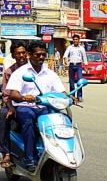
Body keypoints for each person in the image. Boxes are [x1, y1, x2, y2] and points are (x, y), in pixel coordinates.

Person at [7, 42, 69, 171]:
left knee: (64, 120)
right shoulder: (20, 73)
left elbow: (61, 91)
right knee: (29, 120)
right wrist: (24, 97)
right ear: (30, 55)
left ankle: (62, 154)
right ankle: (30, 159)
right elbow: (13, 94)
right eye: (38, 55)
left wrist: (69, 98)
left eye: (43, 55)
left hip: (44, 108)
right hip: (25, 107)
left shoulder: (50, 74)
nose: (41, 57)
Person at [0, 41, 28, 168]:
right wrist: (11, 107)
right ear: (13, 56)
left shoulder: (34, 69)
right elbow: (7, 95)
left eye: (23, 53)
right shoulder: (10, 72)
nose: (21, 56)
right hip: (15, 104)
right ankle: (6, 152)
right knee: (4, 115)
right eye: (18, 54)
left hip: (34, 104)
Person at [63, 35, 87, 102]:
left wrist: (86, 66)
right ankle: (72, 96)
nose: (75, 40)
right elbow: (65, 55)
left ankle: (79, 96)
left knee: (80, 81)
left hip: (79, 65)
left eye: (77, 39)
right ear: (73, 40)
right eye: (74, 39)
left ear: (79, 40)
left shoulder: (81, 48)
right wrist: (65, 60)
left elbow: (84, 57)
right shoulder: (70, 47)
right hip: (71, 65)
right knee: (71, 82)